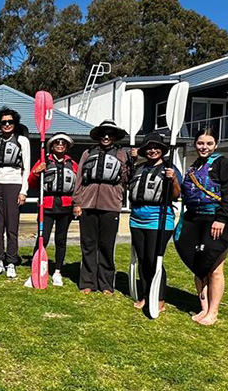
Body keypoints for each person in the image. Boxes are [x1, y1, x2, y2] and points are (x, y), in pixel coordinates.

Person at [175, 129, 228, 326]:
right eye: (200, 143)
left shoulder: (224, 163)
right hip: (194, 220)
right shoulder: (193, 167)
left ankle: (213, 311)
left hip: (215, 221)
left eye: (208, 143)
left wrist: (222, 219)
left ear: (216, 144)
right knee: (199, 268)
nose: (203, 147)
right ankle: (203, 307)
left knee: (215, 268)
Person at [71, 120, 132, 295]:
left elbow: (126, 179)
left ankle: (105, 283)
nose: (106, 137)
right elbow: (79, 179)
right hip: (88, 204)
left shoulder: (122, 154)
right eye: (103, 134)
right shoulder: (88, 153)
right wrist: (77, 202)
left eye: (110, 134)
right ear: (98, 136)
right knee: (88, 244)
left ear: (114, 137)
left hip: (110, 204)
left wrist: (132, 162)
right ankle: (87, 281)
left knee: (106, 245)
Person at [126, 132, 179, 312]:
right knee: (142, 259)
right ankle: (145, 295)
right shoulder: (139, 168)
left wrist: (173, 179)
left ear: (162, 150)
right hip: (137, 219)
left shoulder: (169, 168)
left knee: (153, 259)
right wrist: (131, 161)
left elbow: (176, 195)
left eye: (156, 148)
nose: (153, 150)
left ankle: (159, 298)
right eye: (149, 148)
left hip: (159, 219)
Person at [0, 108, 32, 278]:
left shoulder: (22, 141)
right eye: (3, 122)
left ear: (15, 123)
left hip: (13, 184)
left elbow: (26, 167)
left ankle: (11, 262)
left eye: (10, 122)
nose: (6, 125)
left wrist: (23, 191)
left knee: (12, 227)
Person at [28, 132, 77, 287]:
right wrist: (36, 172)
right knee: (43, 239)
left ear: (67, 146)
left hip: (65, 206)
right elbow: (31, 183)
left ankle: (57, 271)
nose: (60, 145)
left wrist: (77, 205)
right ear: (52, 145)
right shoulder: (44, 162)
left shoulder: (73, 164)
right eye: (57, 142)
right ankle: (35, 271)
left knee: (60, 240)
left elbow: (79, 186)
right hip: (47, 206)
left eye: (63, 143)